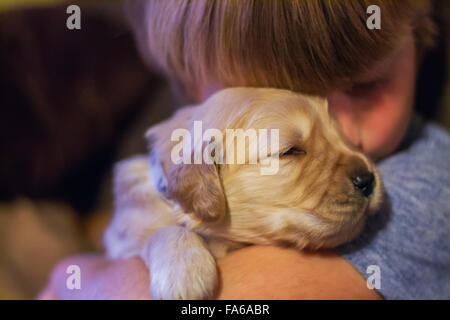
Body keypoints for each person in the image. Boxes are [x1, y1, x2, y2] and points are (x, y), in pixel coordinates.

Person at [40, 0, 450, 299]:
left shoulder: (429, 185)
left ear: (421, 42)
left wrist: (71, 275)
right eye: (282, 98)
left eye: (365, 85)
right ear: (194, 89)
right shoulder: (186, 158)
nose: (338, 134)